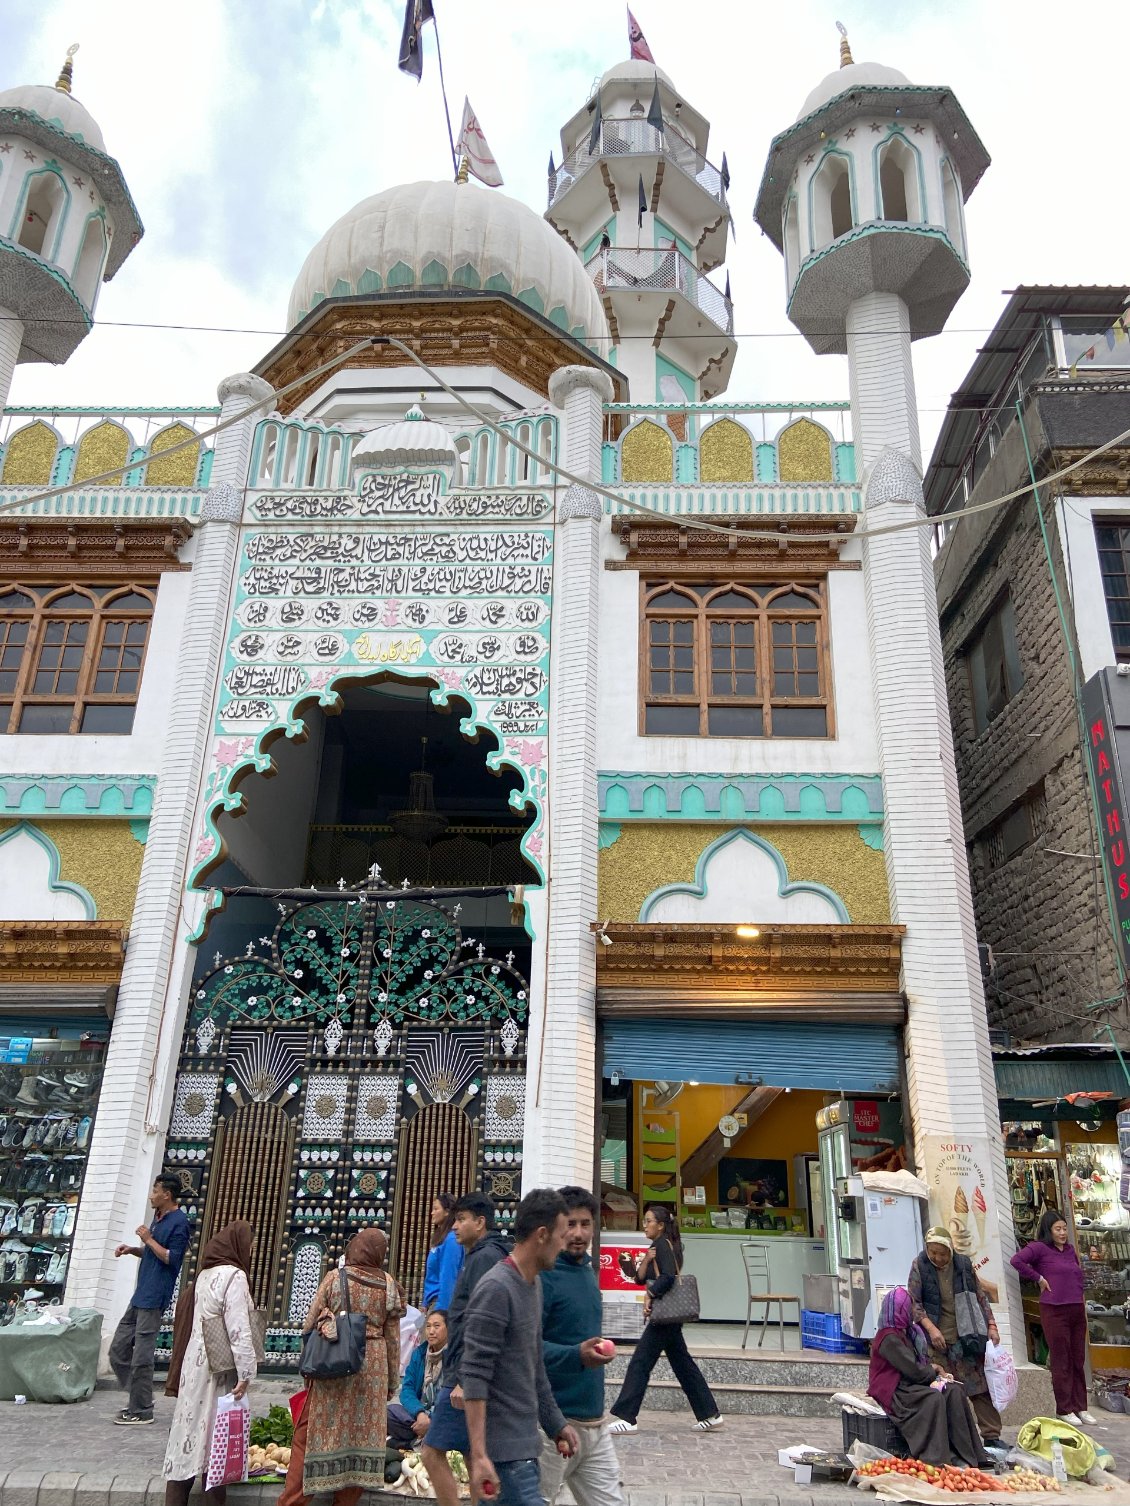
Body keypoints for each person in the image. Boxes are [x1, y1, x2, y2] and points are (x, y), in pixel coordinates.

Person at [462, 1187, 579, 1506]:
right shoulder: (497, 1288)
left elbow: (534, 1364)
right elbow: (474, 1376)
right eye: (561, 1233)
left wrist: (556, 1423)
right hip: (503, 1459)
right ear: (542, 1235)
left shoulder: (534, 1284)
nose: (565, 1242)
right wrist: (480, 1455)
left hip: (526, 1450)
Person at [278, 1229, 405, 1506]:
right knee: (361, 1438)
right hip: (373, 1369)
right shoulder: (388, 1285)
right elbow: (393, 1340)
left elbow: (309, 1324)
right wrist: (391, 1383)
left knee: (310, 1435)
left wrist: (309, 1366)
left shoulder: (336, 1278)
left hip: (335, 1363)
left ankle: (293, 1501)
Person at [419, 1193, 510, 1506]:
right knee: (473, 1453)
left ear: (480, 1222)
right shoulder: (480, 1255)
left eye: (461, 1220)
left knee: (431, 1451)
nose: (454, 1226)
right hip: (469, 1371)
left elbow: (480, 1322)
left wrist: (463, 1379)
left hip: (465, 1373)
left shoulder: (484, 1258)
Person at [162, 1221, 258, 1506]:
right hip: (218, 1368)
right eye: (250, 1243)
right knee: (216, 1438)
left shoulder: (205, 1275)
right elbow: (238, 1328)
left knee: (188, 1432)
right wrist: (246, 1373)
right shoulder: (235, 1277)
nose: (251, 1250)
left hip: (195, 1362)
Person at [539, 1186, 622, 1506]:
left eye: (585, 1224)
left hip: (595, 1424)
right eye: (570, 1224)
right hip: (552, 1427)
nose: (578, 1233)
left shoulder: (588, 1272)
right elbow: (527, 1349)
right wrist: (576, 1355)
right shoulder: (544, 1276)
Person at [608, 1205, 722, 1435]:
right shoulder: (656, 1246)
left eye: (648, 1221)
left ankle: (627, 1417)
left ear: (660, 1225)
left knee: (641, 1361)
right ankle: (710, 1414)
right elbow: (640, 1279)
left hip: (665, 1316)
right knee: (682, 1364)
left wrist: (651, 1295)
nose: (644, 1225)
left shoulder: (663, 1244)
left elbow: (668, 1277)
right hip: (668, 1316)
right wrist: (646, 1262)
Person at [868, 1287, 992, 1468]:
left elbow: (916, 1369)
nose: (911, 1312)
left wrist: (936, 1375)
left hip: (909, 1383)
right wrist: (933, 1370)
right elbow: (913, 1371)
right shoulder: (888, 1337)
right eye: (909, 1308)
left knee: (954, 1392)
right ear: (900, 1310)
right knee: (933, 1398)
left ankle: (966, 1455)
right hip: (895, 1389)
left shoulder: (907, 1332)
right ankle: (936, 1458)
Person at [907, 1226, 1003, 1446]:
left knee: (980, 1388)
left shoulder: (963, 1265)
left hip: (966, 1336)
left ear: (950, 1250)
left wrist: (991, 1325)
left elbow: (980, 1296)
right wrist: (931, 1329)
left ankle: (991, 1436)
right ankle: (945, 1438)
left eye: (942, 1253)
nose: (938, 1258)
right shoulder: (919, 1265)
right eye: (933, 1253)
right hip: (936, 1341)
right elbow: (914, 1302)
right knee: (941, 1389)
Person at [109, 1173, 191, 1425]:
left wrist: (147, 1239)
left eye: (155, 1190)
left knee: (142, 1357)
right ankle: (139, 1398)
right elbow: (153, 1252)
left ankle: (142, 1408)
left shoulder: (179, 1222)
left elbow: (171, 1258)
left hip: (154, 1297)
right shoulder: (158, 1219)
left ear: (167, 1194)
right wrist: (134, 1249)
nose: (151, 1195)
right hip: (139, 1294)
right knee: (118, 1350)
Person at [1011, 1210, 1094, 1425]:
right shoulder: (1039, 1248)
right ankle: (1064, 1408)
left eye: (1065, 1228)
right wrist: (1038, 1278)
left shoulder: (1070, 1250)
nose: (1063, 1233)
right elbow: (1017, 1261)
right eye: (1058, 1229)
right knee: (1061, 1358)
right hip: (1054, 1309)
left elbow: (1077, 1276)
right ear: (1048, 1230)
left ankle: (1081, 1407)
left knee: (1078, 1358)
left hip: (1076, 1307)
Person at [388, 1308, 448, 1451]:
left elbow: (449, 1399)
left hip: (442, 1417)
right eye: (428, 1326)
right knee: (388, 1414)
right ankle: (420, 1441)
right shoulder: (419, 1354)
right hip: (420, 1415)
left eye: (437, 1326)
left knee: (452, 1424)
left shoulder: (454, 1357)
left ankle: (411, 1443)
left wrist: (431, 1419)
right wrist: (420, 1413)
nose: (431, 1331)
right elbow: (407, 1389)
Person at [423, 1193, 464, 1314]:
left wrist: (442, 1311)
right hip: (433, 1302)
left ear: (447, 1212)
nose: (432, 1213)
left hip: (440, 1304)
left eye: (436, 1209)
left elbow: (448, 1276)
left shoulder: (451, 1240)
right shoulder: (441, 1238)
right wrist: (425, 1303)